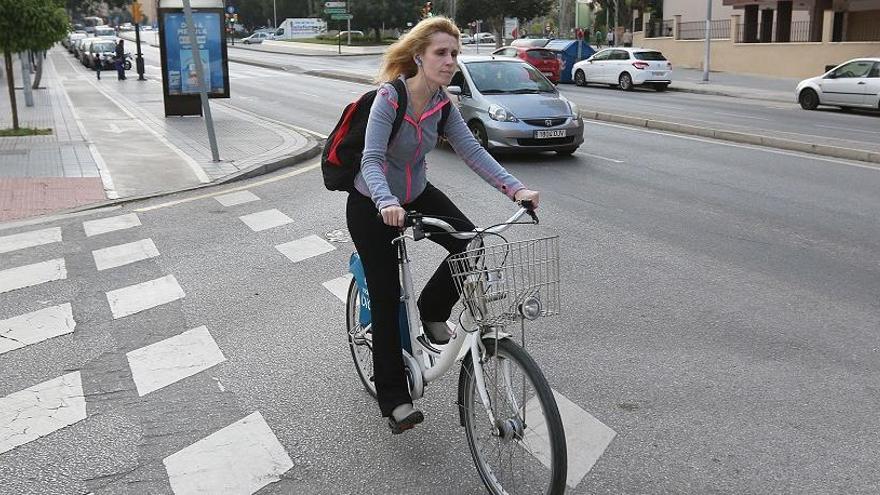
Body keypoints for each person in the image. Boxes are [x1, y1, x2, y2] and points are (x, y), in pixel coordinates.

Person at [348, 16, 539, 434]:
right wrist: (385, 201)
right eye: (441, 52)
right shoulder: (390, 98)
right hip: (371, 203)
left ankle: (433, 311)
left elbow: (472, 151)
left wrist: (515, 189)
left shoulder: (441, 103)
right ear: (419, 56)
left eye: (454, 53)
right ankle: (395, 398)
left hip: (415, 194)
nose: (450, 60)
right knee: (386, 298)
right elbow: (371, 159)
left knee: (472, 243)